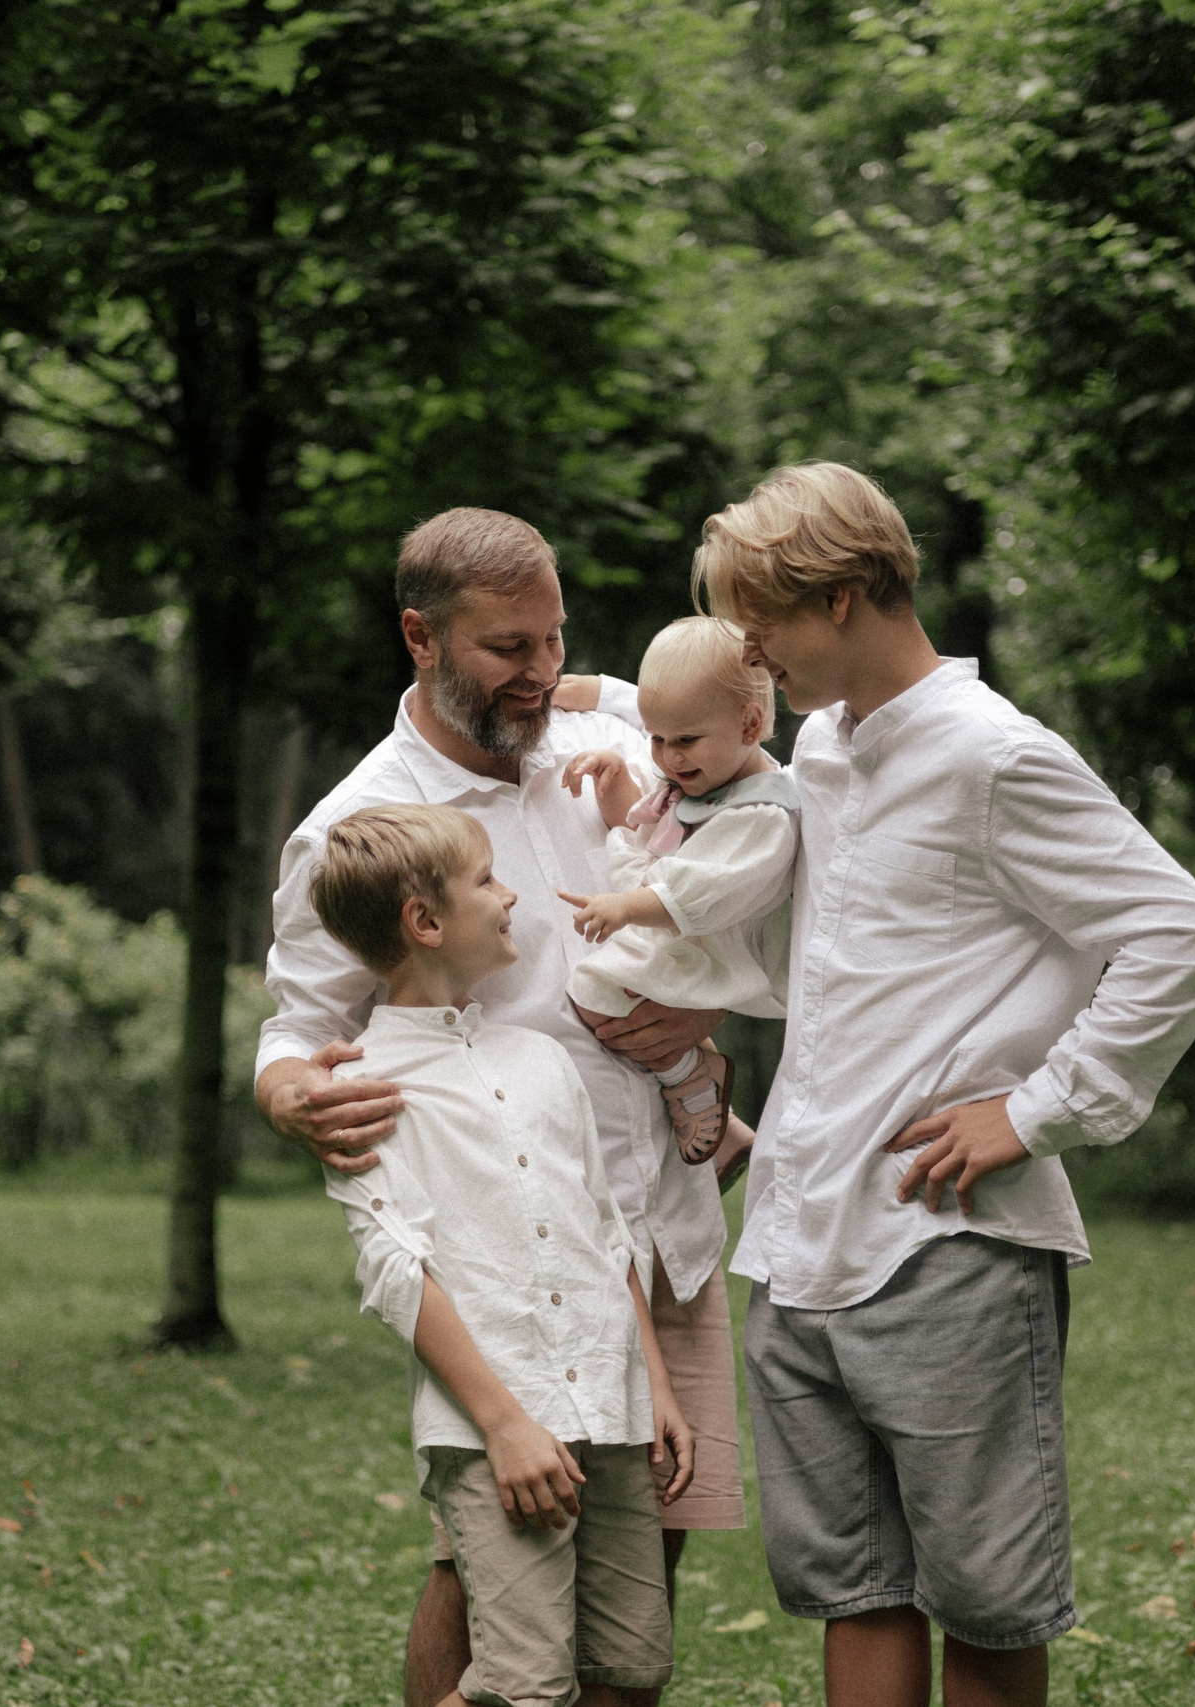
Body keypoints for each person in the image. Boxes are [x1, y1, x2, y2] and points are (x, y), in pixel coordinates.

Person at [696, 463, 1195, 1707]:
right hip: (796, 1242)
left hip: (945, 1249)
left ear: (837, 599)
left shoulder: (993, 757)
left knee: (986, 1603)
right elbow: (829, 961)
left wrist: (1037, 1111)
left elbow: (1178, 935)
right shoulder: (825, 749)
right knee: (854, 1591)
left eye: (760, 621)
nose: (749, 650)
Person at [254, 508, 749, 1707]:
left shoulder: (611, 724)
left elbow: (710, 720)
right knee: (486, 1569)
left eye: (552, 642)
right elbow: (294, 1029)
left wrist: (702, 1023)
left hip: (656, 1225)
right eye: (506, 651)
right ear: (418, 637)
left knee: (641, 1567)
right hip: (501, 1265)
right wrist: (288, 1099)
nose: (538, 676)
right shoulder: (361, 830)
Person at [310, 801, 695, 1707]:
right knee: (522, 1685)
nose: (511, 892)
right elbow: (397, 1272)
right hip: (496, 1430)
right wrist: (508, 1424)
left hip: (612, 1403)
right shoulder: (360, 1087)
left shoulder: (541, 1059)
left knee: (631, 1667)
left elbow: (607, 1231)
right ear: (426, 921)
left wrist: (657, 1385)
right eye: (487, 879)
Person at [554, 616, 798, 1164]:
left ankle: (688, 1077)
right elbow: (640, 825)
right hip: (681, 931)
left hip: (719, 946)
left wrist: (622, 906)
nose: (666, 756)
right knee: (605, 987)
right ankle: (696, 1072)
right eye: (656, 738)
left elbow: (685, 897)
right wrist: (616, 777)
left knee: (594, 987)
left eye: (683, 740)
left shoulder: (762, 817)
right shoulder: (694, 772)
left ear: (751, 723)